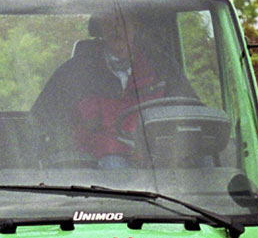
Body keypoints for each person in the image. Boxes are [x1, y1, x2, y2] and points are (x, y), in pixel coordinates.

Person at [30, 10, 195, 169]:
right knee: (113, 164)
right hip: (94, 175)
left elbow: (194, 120)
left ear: (135, 24)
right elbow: (41, 122)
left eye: (123, 20)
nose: (116, 28)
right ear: (99, 26)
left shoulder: (162, 68)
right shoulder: (73, 73)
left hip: (159, 169)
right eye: (109, 19)